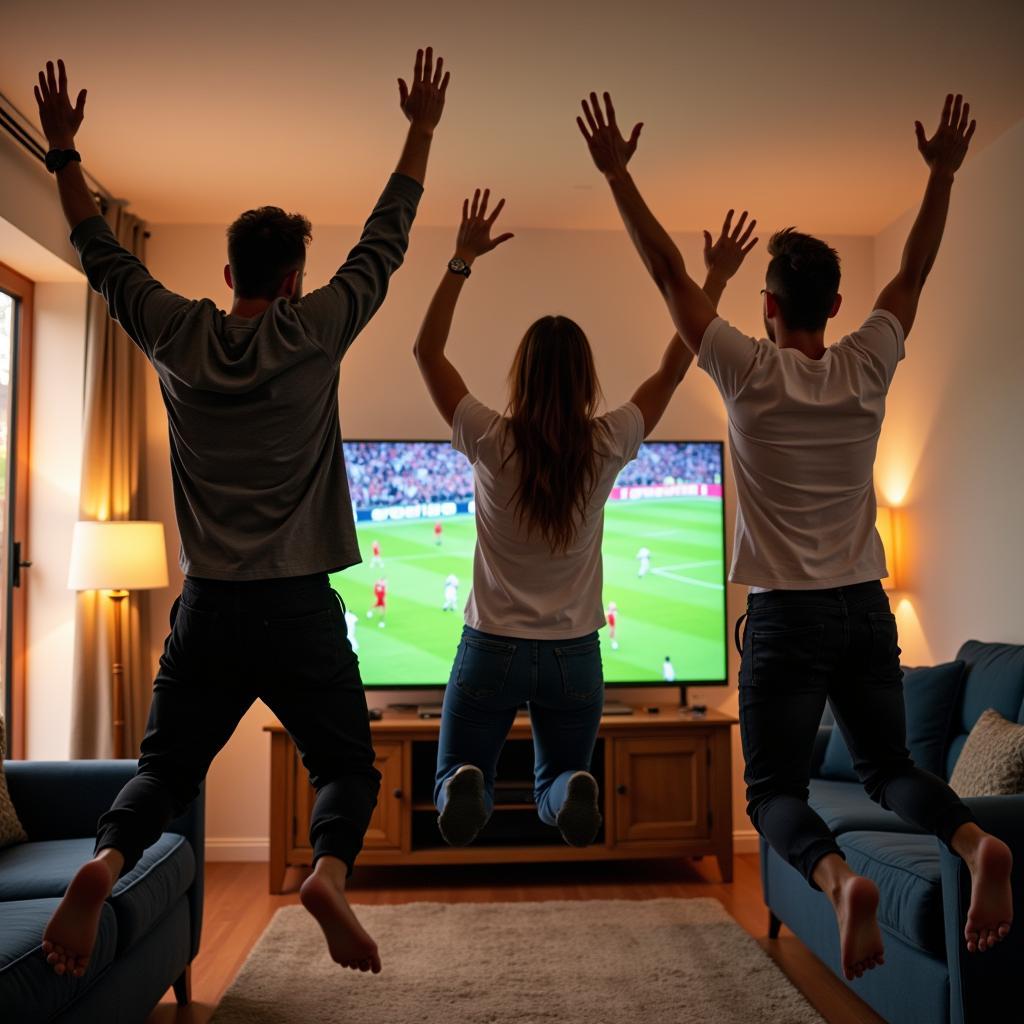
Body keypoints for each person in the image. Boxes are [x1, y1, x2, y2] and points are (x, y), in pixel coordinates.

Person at [34, 49, 451, 979]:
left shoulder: (178, 332)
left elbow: (99, 255)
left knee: (166, 774)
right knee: (346, 767)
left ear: (227, 272)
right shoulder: (316, 330)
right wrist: (419, 128)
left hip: (210, 608)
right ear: (296, 279)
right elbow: (386, 241)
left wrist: (65, 151)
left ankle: (104, 862)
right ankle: (328, 873)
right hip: (299, 607)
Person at [578, 90, 1013, 979]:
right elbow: (916, 273)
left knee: (772, 790)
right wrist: (941, 176)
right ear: (837, 302)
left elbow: (669, 275)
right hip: (863, 606)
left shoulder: (747, 370)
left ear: (769, 306)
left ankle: (834, 878)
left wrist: (621, 175)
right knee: (892, 769)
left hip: (786, 617)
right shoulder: (866, 361)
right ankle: (973, 841)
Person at [412, 187, 754, 848]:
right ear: (585, 379)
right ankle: (570, 786)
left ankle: (464, 779)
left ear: (522, 375)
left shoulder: (489, 436)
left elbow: (428, 353)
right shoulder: (608, 441)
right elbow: (675, 366)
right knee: (557, 776)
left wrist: (461, 260)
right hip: (573, 655)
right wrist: (713, 277)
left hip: (491, 648)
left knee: (454, 772)